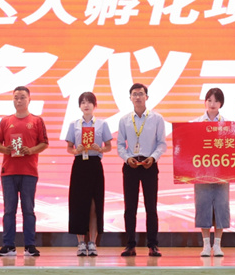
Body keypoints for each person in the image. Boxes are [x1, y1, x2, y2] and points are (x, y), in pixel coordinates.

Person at [0, 86, 49, 257]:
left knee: (28, 210)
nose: (19, 100)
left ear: (29, 100)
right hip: (8, 172)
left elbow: (44, 143)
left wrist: (31, 150)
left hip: (29, 171)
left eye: (22, 97)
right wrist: (5, 149)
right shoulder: (6, 121)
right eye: (16, 97)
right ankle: (8, 245)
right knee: (9, 210)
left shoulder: (37, 121)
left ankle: (29, 245)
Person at [117, 83, 167, 257]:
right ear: (130, 98)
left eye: (141, 93)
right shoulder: (124, 120)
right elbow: (120, 145)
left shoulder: (157, 119)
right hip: (130, 165)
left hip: (149, 165)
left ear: (147, 97)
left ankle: (153, 245)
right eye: (134, 94)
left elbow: (162, 144)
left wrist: (153, 158)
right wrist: (127, 158)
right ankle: (130, 245)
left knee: (151, 207)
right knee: (129, 208)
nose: (137, 97)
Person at [66, 92, 112, 257]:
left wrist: (100, 149)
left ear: (95, 105)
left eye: (89, 102)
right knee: (79, 204)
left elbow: (108, 146)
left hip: (94, 165)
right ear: (79, 106)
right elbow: (69, 148)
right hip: (79, 165)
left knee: (93, 205)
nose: (86, 105)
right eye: (83, 102)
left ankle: (92, 242)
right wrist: (75, 150)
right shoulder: (74, 124)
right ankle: (80, 243)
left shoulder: (102, 124)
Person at [191, 87, 229, 257]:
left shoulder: (227, 124)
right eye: (209, 100)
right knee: (203, 207)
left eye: (216, 100)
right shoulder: (195, 124)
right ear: (205, 102)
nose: (212, 104)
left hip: (222, 172)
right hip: (202, 172)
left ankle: (218, 245)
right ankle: (206, 245)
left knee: (221, 207)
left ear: (221, 103)